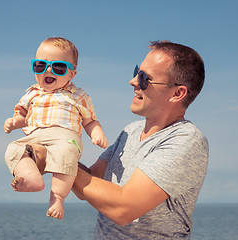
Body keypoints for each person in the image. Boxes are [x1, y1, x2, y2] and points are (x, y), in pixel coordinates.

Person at [71, 41, 209, 239]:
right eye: (137, 72)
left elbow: (124, 209)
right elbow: (91, 183)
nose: (133, 81)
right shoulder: (130, 132)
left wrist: (58, 163)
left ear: (177, 93)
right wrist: (48, 151)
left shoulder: (187, 141)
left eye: (144, 78)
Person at [4, 37, 108, 220]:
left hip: (64, 136)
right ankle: (30, 177)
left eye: (58, 67)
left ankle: (57, 197)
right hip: (34, 136)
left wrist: (97, 134)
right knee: (14, 148)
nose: (48, 70)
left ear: (71, 74)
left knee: (66, 154)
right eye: (40, 65)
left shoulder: (78, 95)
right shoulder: (32, 93)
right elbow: (22, 115)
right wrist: (15, 122)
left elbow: (90, 121)